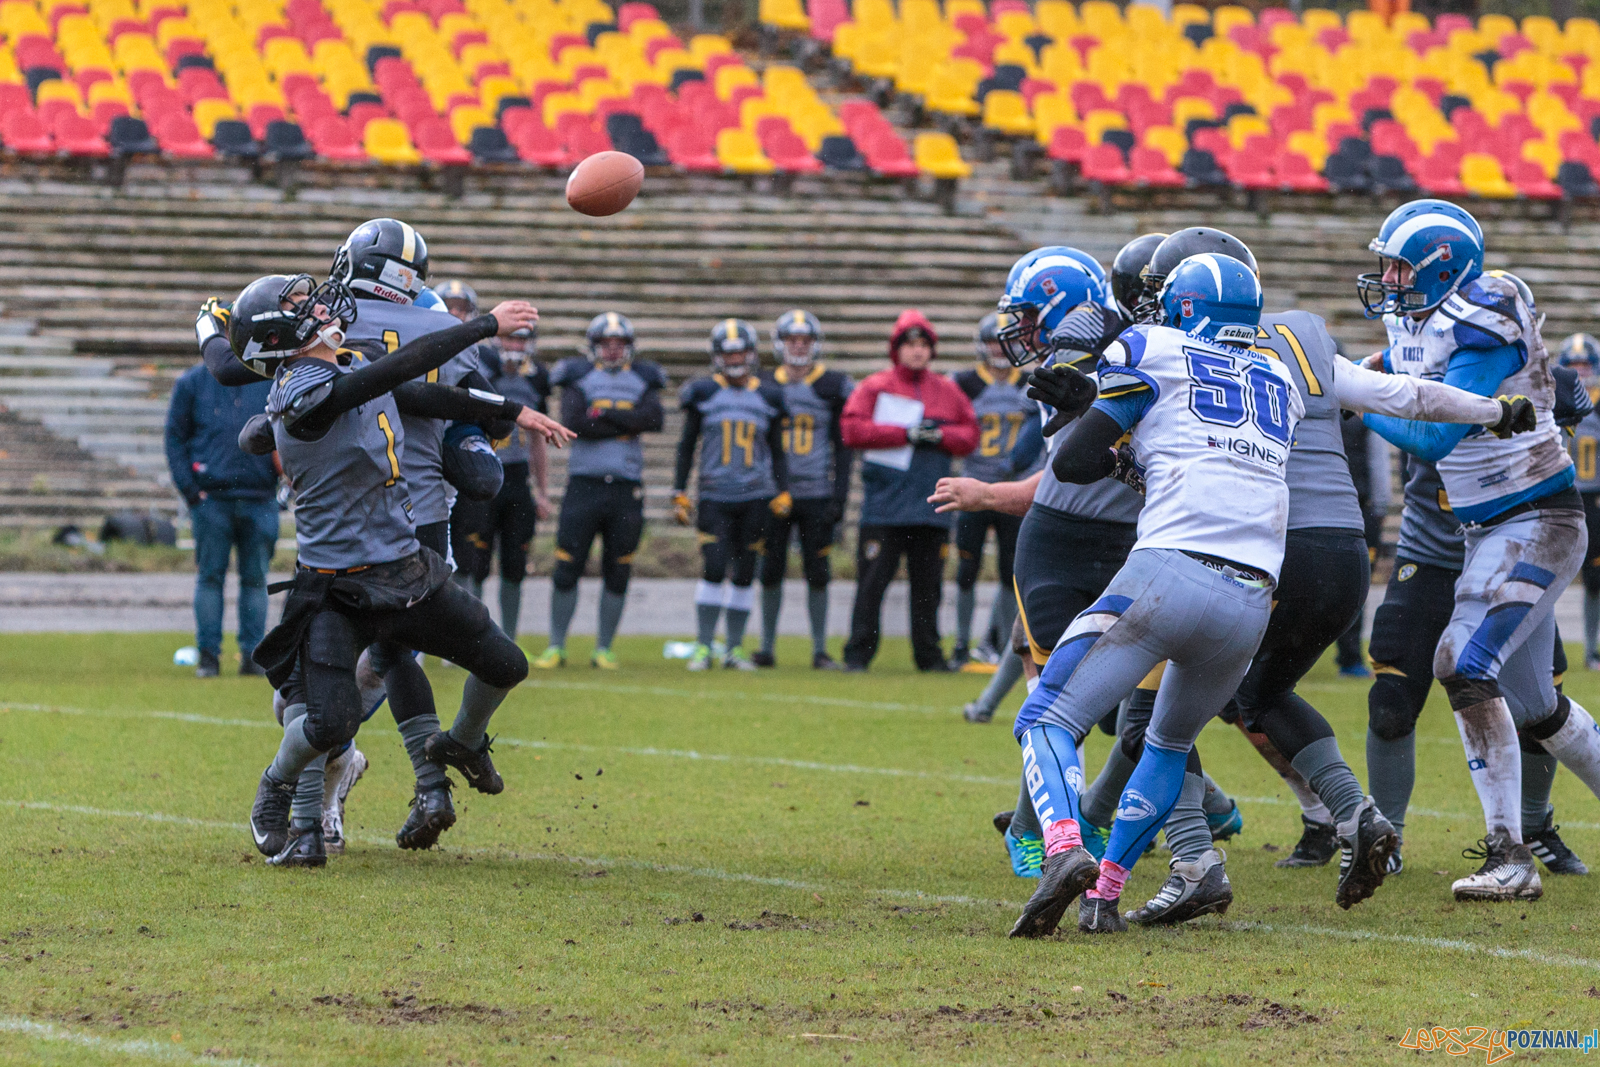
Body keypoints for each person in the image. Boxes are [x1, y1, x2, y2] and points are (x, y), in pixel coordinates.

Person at [237, 274, 569, 868]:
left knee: (505, 664)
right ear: (280, 333)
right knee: (328, 720)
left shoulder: (345, 363)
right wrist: (486, 324)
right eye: (298, 304)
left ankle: (457, 744)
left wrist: (514, 410)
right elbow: (397, 371)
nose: (316, 303)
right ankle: (276, 785)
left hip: (404, 570)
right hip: (337, 586)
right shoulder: (305, 389)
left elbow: (423, 395)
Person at [1359, 200, 1600, 902]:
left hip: (1535, 517)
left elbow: (1436, 436)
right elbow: (1400, 364)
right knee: (1539, 707)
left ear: (1444, 267)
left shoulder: (1487, 313)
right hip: (1488, 528)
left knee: (1461, 661)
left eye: (1402, 264)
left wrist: (1355, 395)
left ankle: (1510, 853)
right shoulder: (1419, 320)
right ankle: (1512, 851)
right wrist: (1361, 370)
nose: (1390, 277)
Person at [839, 311, 978, 672]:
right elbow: (852, 430)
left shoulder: (947, 390)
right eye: (909, 345)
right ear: (895, 349)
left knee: (929, 589)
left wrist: (940, 435)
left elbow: (969, 436)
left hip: (931, 506)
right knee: (871, 585)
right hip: (883, 506)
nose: (916, 352)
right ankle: (858, 654)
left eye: (922, 346)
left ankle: (930, 657)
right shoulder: (874, 386)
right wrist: (904, 433)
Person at [536, 313, 667, 669]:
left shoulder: (643, 376)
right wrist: (626, 418)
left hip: (625, 488)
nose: (612, 351)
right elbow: (576, 422)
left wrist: (602, 415)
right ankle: (556, 645)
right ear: (593, 346)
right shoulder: (578, 376)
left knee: (619, 568)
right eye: (606, 344)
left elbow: (654, 419)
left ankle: (604, 648)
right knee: (567, 566)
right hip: (584, 485)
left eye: (618, 344)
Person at [673, 319, 790, 670]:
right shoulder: (704, 392)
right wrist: (679, 491)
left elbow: (778, 450)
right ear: (717, 356)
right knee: (713, 566)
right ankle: (705, 646)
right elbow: (686, 445)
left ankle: (734, 649)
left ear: (752, 354)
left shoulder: (768, 394)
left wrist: (783, 490)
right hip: (714, 494)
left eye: (741, 351)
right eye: (729, 352)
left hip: (756, 495)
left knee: (744, 573)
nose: (735, 358)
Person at [164, 331, 279, 678]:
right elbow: (174, 438)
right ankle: (209, 656)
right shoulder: (192, 383)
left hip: (259, 496)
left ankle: (253, 655)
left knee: (255, 579)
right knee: (211, 577)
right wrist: (191, 491)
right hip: (212, 498)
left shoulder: (268, 379)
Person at [754, 310, 853, 670]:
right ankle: (766, 646)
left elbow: (843, 446)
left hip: (815, 490)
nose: (799, 346)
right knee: (770, 568)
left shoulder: (832, 385)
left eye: (805, 340)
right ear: (780, 344)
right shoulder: (763, 384)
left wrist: (839, 493)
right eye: (793, 340)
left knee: (818, 570)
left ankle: (819, 649)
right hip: (773, 490)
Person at [949, 313, 1039, 670]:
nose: (1000, 349)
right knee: (966, 570)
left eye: (1008, 341)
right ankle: (960, 642)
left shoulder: (1032, 382)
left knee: (1009, 572)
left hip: (1014, 490)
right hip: (973, 486)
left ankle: (1000, 643)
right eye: (993, 341)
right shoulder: (963, 383)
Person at [451, 323, 552, 640]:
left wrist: (543, 491)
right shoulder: (481, 372)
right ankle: (470, 635)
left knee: (514, 563)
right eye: (510, 337)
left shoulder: (536, 378)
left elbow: (538, 437)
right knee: (472, 561)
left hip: (517, 477)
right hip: (482, 472)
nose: (515, 345)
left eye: (521, 339)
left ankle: (507, 637)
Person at [1560, 333, 1600, 669]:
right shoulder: (1553, 396)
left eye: (1585, 364)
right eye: (1574, 365)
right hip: (1561, 496)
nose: (1581, 372)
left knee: (1596, 578)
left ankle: (1591, 650)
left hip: (1595, 499)